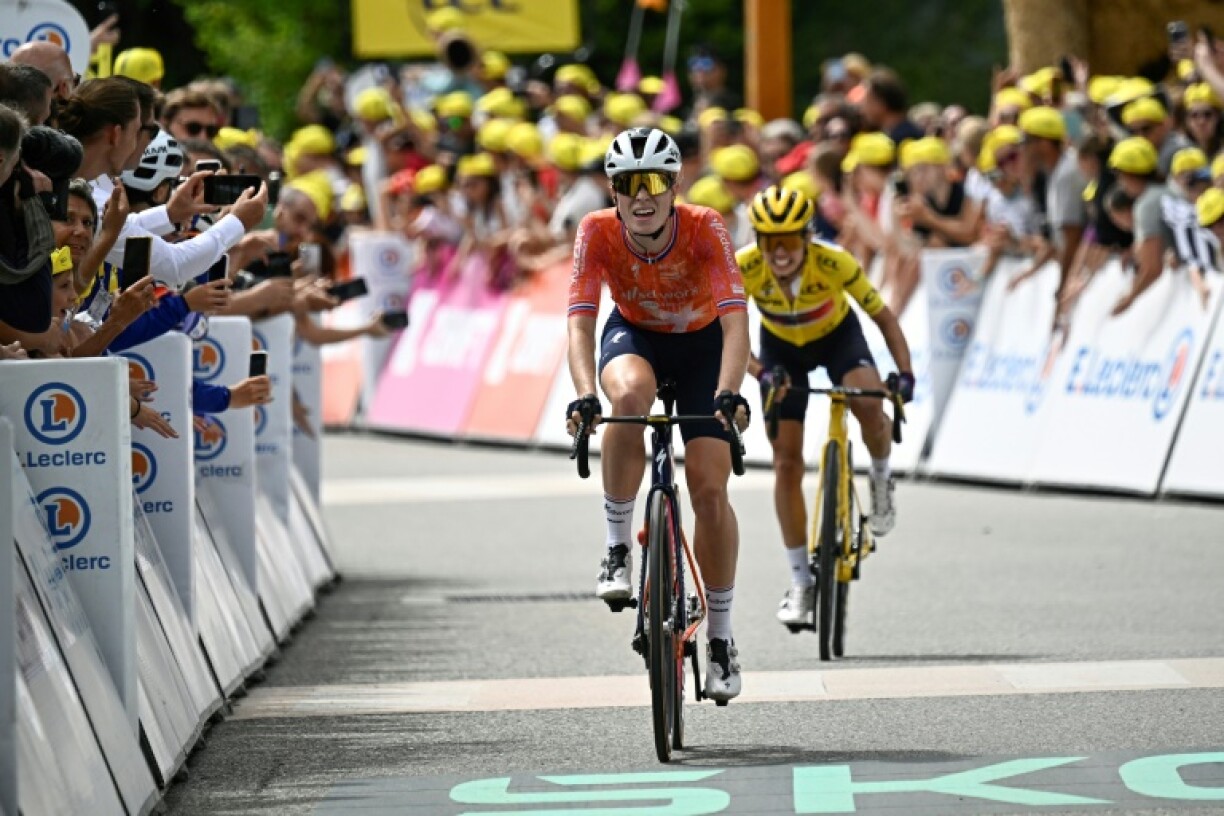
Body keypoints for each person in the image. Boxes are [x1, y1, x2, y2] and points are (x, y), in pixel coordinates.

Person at [566, 126, 751, 702]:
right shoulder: (596, 230)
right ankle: (618, 547)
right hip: (636, 337)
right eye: (628, 184)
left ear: (674, 186)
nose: (641, 196)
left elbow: (735, 321)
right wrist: (583, 393)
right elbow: (579, 322)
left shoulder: (705, 226)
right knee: (626, 400)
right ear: (613, 191)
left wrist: (728, 392)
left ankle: (720, 637)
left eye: (653, 182)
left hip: (703, 349)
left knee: (709, 490)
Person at [736, 185, 913, 627]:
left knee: (870, 405)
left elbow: (884, 318)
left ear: (807, 236)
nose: (779, 252)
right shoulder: (744, 267)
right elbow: (728, 334)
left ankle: (881, 476)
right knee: (786, 463)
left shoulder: (835, 261)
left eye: (788, 240)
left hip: (838, 339)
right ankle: (801, 581)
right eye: (770, 241)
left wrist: (905, 373)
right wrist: (760, 373)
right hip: (781, 351)